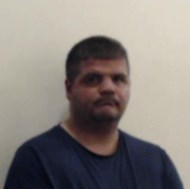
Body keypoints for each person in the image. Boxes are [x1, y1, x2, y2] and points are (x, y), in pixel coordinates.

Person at [4, 36, 183, 189]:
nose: (108, 88)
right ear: (69, 88)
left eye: (118, 79)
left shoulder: (154, 160)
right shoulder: (36, 159)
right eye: (93, 79)